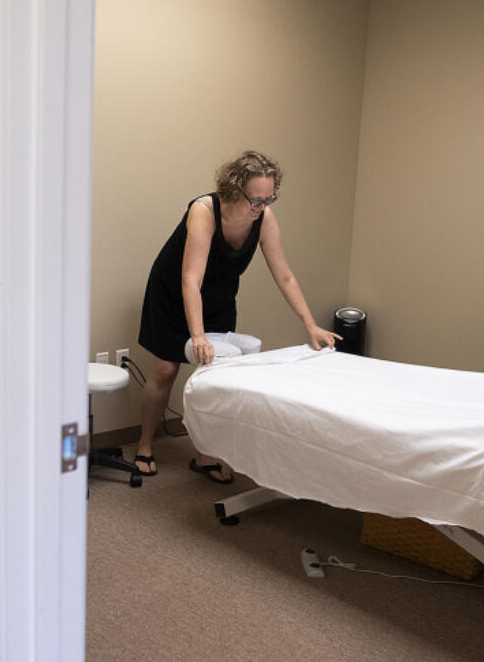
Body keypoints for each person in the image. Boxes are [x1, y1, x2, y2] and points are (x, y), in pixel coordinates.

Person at [134, 150, 339, 482]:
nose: (261, 206)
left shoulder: (264, 218)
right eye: (254, 200)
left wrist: (311, 324)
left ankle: (205, 454)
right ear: (233, 190)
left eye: (268, 198)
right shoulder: (204, 212)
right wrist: (197, 336)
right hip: (175, 293)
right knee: (166, 368)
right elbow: (190, 279)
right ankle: (144, 445)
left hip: (218, 297)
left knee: (216, 373)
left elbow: (284, 276)